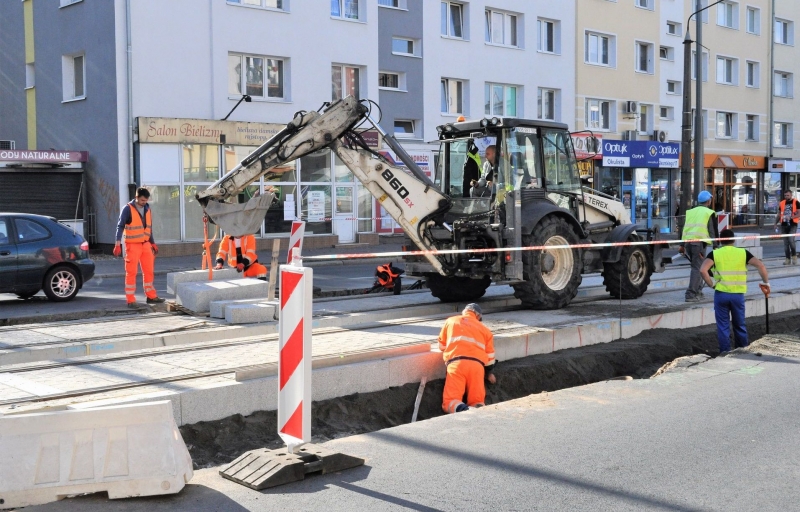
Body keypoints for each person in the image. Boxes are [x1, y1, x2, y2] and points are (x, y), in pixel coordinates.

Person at [700, 228, 770, 354]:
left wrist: (712, 284)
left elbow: (702, 270)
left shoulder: (715, 254)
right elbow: (761, 265)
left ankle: (725, 352)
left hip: (721, 294)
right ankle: (742, 351)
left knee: (723, 326)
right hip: (737, 295)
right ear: (734, 240)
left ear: (720, 240)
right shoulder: (743, 252)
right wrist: (766, 283)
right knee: (740, 325)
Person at [438, 303, 496, 414]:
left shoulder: (451, 321)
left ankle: (465, 410)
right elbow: (490, 358)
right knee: (477, 401)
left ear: (464, 312)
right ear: (478, 316)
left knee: (450, 401)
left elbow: (441, 345)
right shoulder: (486, 330)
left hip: (456, 365)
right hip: (477, 368)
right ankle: (477, 412)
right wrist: (489, 373)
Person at [114, 187, 165, 308]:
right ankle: (130, 300)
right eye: (142, 200)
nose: (144, 202)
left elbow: (148, 228)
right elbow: (120, 226)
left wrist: (152, 243)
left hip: (146, 244)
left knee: (149, 271)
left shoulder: (147, 208)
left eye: (146, 200)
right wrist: (117, 244)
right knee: (131, 272)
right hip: (132, 246)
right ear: (136, 197)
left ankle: (151, 296)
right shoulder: (127, 209)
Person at [681, 190, 719, 302]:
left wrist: (681, 245)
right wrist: (716, 245)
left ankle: (698, 291)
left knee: (699, 267)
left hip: (689, 243)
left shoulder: (691, 212)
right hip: (698, 244)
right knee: (697, 268)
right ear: (708, 201)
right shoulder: (708, 212)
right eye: (710, 199)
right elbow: (712, 231)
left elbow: (685, 229)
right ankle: (690, 294)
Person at [774, 190, 799, 265]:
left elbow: (799, 213)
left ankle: (794, 257)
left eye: (788, 195)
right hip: (784, 225)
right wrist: (775, 223)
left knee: (791, 240)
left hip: (792, 224)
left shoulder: (796, 202)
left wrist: (791, 217)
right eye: (785, 195)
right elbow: (779, 214)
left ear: (791, 195)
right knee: (785, 243)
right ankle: (787, 259)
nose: (786, 197)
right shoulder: (782, 203)